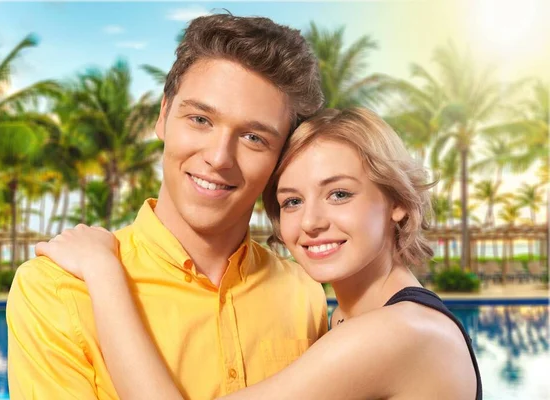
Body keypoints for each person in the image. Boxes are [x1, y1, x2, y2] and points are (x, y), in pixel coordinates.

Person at [37, 108, 483, 400]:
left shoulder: (401, 332)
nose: (310, 222)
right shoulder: (349, 320)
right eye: (291, 201)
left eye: (339, 194)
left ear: (398, 203)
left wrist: (103, 271)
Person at [6, 13, 328, 400]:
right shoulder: (56, 290)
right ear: (163, 117)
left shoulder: (304, 292)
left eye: (253, 137)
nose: (219, 157)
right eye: (200, 119)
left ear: (282, 157)